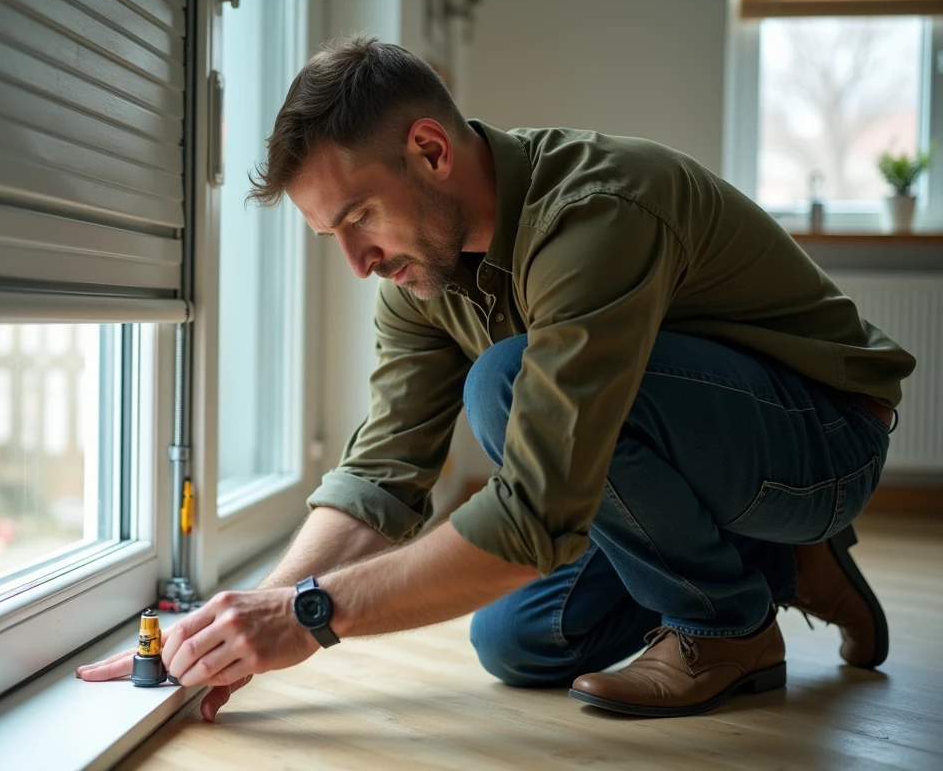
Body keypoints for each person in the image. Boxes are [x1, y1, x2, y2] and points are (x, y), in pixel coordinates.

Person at [78, 37, 915, 721]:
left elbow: (538, 514)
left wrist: (309, 616)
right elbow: (381, 477)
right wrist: (241, 622)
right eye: (333, 234)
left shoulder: (594, 213)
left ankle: (727, 624)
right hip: (695, 447)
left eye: (360, 216)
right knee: (518, 640)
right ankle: (779, 562)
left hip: (821, 438)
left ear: (431, 151)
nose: (358, 261)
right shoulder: (421, 276)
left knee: (503, 382)